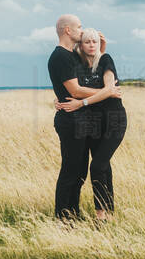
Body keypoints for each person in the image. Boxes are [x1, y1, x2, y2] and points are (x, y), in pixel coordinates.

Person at [47, 15, 122, 221]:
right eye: (79, 27)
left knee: (80, 172)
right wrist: (107, 91)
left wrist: (101, 46)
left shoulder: (72, 55)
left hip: (83, 120)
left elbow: (94, 66)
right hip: (70, 120)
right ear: (68, 31)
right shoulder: (60, 56)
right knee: (71, 171)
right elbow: (75, 89)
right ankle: (63, 218)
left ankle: (74, 215)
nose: (82, 30)